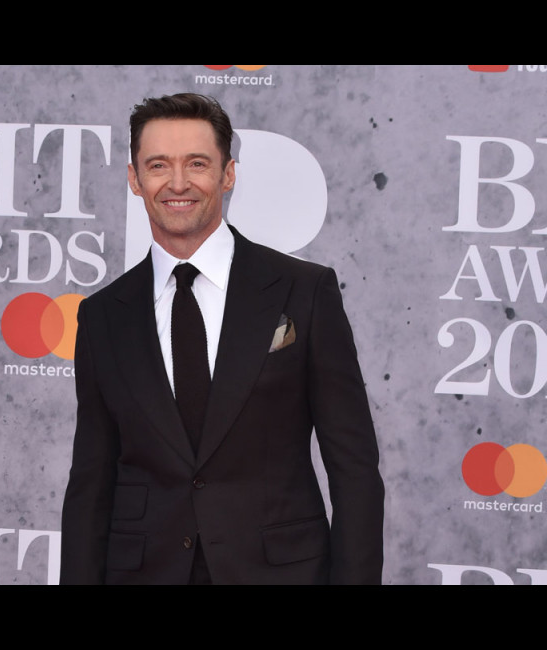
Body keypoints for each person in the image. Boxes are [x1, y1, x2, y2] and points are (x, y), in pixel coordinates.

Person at [60, 93, 384, 585]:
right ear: (134, 179)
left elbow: (354, 469)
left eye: (197, 163)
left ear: (228, 174)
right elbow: (91, 482)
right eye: (158, 165)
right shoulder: (103, 316)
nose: (178, 183)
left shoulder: (304, 291)